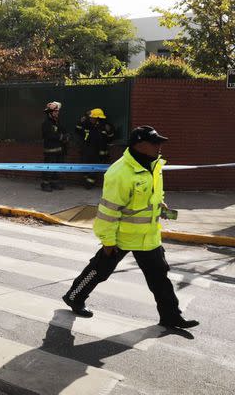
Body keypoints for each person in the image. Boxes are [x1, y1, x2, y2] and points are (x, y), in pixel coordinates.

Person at [62, 126, 199, 330]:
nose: (159, 146)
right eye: (155, 143)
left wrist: (160, 204)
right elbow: (108, 212)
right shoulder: (120, 173)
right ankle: (74, 297)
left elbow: (153, 194)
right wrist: (108, 242)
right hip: (121, 237)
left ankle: (171, 317)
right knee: (99, 271)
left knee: (160, 278)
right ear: (140, 145)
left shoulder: (154, 165)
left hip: (148, 236)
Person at [75, 108, 115, 189]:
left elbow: (111, 138)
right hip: (87, 151)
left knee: (94, 169)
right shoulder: (87, 124)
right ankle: (87, 181)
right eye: (90, 117)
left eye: (92, 117)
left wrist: (109, 131)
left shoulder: (106, 126)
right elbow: (77, 130)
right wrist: (81, 121)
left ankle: (89, 183)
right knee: (85, 167)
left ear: (97, 118)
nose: (90, 119)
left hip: (99, 153)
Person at [41, 101, 68, 192]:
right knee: (49, 167)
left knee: (57, 167)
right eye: (55, 111)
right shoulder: (46, 123)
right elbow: (49, 135)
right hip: (50, 150)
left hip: (59, 150)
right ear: (50, 113)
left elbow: (62, 130)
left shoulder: (56, 122)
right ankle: (45, 183)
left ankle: (54, 182)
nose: (57, 113)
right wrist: (61, 137)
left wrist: (66, 136)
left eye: (57, 111)